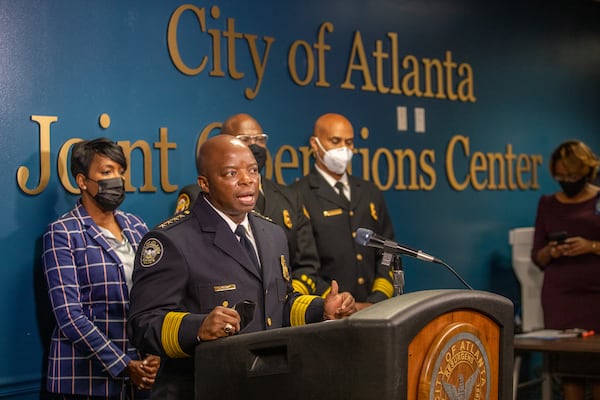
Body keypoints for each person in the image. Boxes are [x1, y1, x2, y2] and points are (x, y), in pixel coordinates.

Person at [127, 135, 356, 399]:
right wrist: (198, 328)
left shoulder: (272, 233)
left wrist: (321, 309)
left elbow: (278, 303)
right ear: (205, 184)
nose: (247, 180)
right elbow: (142, 324)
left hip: (269, 385)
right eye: (231, 173)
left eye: (252, 170)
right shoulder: (172, 240)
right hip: (202, 388)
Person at [42, 138, 159, 399]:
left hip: (141, 377)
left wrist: (154, 354)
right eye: (106, 172)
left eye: (120, 172)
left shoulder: (137, 226)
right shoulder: (62, 232)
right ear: (82, 181)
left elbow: (157, 294)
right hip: (84, 381)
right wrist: (124, 365)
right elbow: (69, 316)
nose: (116, 180)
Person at [173, 113, 328, 296]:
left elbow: (306, 264)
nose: (253, 145)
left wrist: (285, 298)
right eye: (245, 139)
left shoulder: (289, 198)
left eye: (259, 139)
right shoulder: (197, 195)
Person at [292, 113, 396, 310]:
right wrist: (340, 303)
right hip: (331, 315)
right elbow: (303, 266)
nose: (344, 149)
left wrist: (377, 300)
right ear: (315, 144)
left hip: (377, 310)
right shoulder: (298, 195)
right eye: (335, 141)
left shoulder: (369, 191)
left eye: (349, 142)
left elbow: (387, 249)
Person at [531, 139, 600, 400]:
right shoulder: (547, 204)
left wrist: (591, 246)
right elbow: (538, 257)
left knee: (597, 374)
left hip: (596, 299)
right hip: (562, 301)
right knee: (571, 373)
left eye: (572, 175)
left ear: (586, 171)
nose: (567, 180)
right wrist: (552, 251)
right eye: (561, 176)